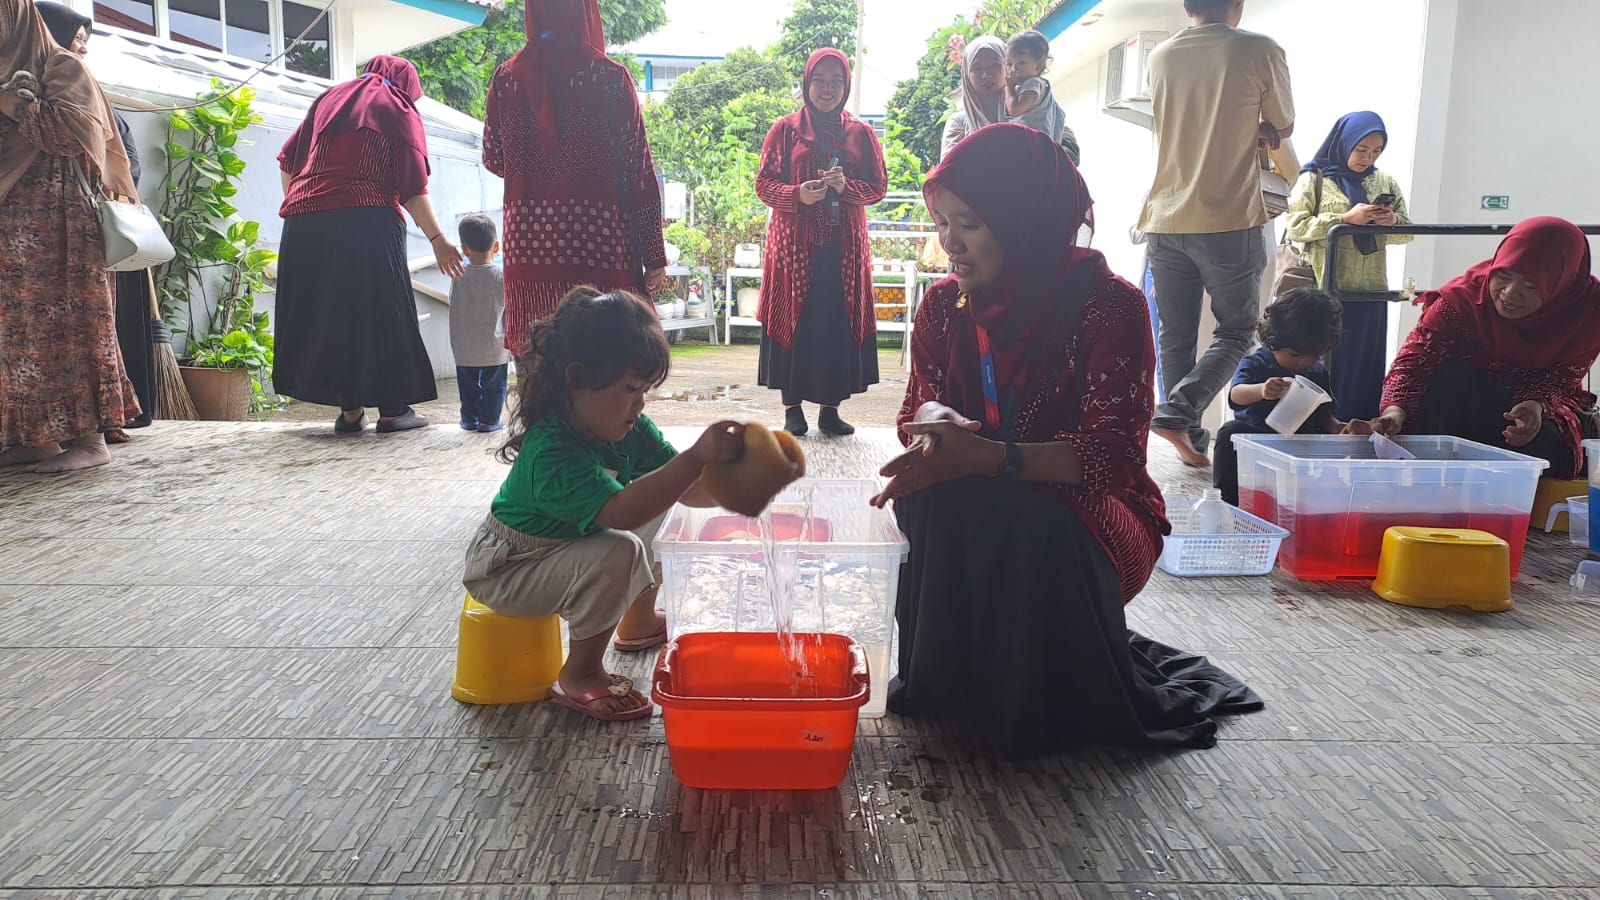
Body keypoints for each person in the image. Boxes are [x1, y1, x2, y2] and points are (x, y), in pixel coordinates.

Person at [874, 123, 1261, 759]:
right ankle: (951, 678)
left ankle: (1035, 696)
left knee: (1035, 517)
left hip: (1096, 511)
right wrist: (935, 420)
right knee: (921, 494)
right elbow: (915, 408)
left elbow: (1112, 460)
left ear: (1024, 220)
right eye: (942, 222)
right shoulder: (946, 307)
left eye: (969, 223)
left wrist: (995, 457)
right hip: (986, 482)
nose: (950, 243)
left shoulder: (1108, 307)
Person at [463, 288, 742, 721]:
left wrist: (741, 484)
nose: (640, 403)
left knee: (664, 497)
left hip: (565, 546)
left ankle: (638, 621)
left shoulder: (629, 427)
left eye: (645, 390)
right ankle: (581, 673)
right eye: (630, 389)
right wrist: (694, 458)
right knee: (621, 547)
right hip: (510, 569)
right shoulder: (552, 451)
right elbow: (624, 513)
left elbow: (688, 491)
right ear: (576, 378)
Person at [1140, 0, 1294, 468]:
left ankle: (1185, 432)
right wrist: (1260, 127)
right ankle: (1177, 413)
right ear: (1238, 4)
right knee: (1238, 330)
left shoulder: (1159, 55)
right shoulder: (1259, 49)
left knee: (1176, 334)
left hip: (1165, 214)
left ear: (1187, 5)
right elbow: (1284, 126)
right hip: (1227, 215)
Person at [274, 55, 462, 434]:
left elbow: (287, 161)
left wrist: (308, 205)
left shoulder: (329, 99)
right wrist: (438, 239)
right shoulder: (397, 105)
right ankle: (392, 411)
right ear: (407, 86)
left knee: (334, 315)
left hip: (303, 219)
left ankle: (350, 412)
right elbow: (412, 186)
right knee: (381, 311)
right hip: (365, 217)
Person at [482, 0, 668, 365]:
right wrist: (654, 255)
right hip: (600, 249)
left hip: (529, 250)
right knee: (606, 366)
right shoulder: (610, 78)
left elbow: (493, 158)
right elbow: (639, 173)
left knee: (538, 366)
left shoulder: (506, 79)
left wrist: (534, 170)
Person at [1, 0, 141, 474]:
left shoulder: (61, 66)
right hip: (14, 235)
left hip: (63, 229)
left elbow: (73, 135)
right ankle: (37, 439)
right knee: (21, 338)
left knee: (74, 330)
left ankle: (91, 441)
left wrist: (13, 102)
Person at [1350, 217, 1600, 477]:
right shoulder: (1459, 303)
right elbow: (1413, 366)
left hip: (1531, 410)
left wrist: (1534, 406)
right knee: (1450, 382)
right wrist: (1394, 413)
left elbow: (1560, 378)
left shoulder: (1587, 313)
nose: (1509, 293)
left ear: (1561, 286)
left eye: (1530, 286)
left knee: (1551, 453)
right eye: (1503, 275)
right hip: (1459, 409)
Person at [34, 1, 154, 442]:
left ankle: (108, 424)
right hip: (88, 225)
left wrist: (109, 192)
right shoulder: (48, 85)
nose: (82, 48)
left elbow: (124, 157)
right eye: (76, 38)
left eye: (85, 41)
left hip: (100, 224)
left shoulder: (79, 88)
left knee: (100, 327)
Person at [756, 48, 888, 437]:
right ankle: (791, 408)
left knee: (835, 323)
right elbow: (763, 184)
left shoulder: (860, 133)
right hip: (794, 249)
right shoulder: (785, 130)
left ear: (846, 85)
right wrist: (796, 194)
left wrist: (846, 188)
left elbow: (878, 187)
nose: (827, 89)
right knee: (795, 322)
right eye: (820, 80)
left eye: (836, 81)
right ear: (806, 83)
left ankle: (830, 410)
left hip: (843, 250)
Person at [1286, 111, 1412, 421]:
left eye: (1377, 151)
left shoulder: (1383, 180)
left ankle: (1358, 428)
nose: (1368, 158)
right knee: (1324, 362)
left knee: (1364, 365)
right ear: (1344, 143)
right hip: (1326, 289)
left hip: (1370, 291)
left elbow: (1407, 232)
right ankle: (1318, 428)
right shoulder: (1314, 178)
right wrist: (1344, 219)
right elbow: (1297, 226)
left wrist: (1391, 220)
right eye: (1361, 149)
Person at [1214, 288, 1345, 505]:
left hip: (1301, 442)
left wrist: (1336, 427)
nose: (1305, 362)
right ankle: (1226, 502)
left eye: (1315, 355)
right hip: (1259, 438)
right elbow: (1236, 395)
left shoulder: (1317, 371)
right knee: (1229, 432)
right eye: (1295, 354)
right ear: (1272, 341)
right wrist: (1261, 390)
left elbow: (1323, 414)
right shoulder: (1257, 362)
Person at [450, 214, 510, 433]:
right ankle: (489, 421)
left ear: (465, 250)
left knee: (468, 387)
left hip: (464, 346)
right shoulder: (502, 275)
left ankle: (469, 419)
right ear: (496, 247)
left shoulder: (458, 275)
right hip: (494, 345)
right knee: (494, 386)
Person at [1001, 30, 1080, 164]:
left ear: (1039, 65)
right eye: (1009, 64)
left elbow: (1015, 110)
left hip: (1033, 144)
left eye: (1021, 62)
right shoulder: (1038, 85)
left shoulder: (1033, 84)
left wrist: (1009, 87)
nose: (1014, 69)